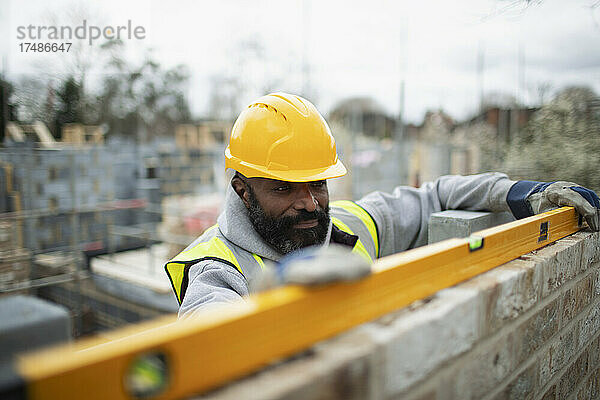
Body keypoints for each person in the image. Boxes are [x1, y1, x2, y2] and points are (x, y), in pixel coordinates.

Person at [165, 92, 600, 317]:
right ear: (243, 190)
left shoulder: (351, 227)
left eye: (317, 184)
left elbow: (436, 195)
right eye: (284, 189)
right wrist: (268, 312)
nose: (309, 204)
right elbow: (207, 334)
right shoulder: (216, 270)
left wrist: (520, 193)